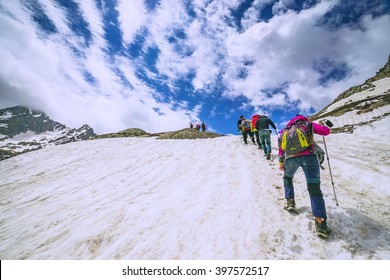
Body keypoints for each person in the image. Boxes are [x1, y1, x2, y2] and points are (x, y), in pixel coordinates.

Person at [278, 115, 331, 238]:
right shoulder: (308, 124)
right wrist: (322, 125)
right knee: (314, 188)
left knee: (287, 178)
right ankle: (320, 223)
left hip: (290, 158)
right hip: (309, 157)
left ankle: (290, 202)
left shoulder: (285, 129)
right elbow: (326, 132)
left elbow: (281, 147)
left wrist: (281, 161)